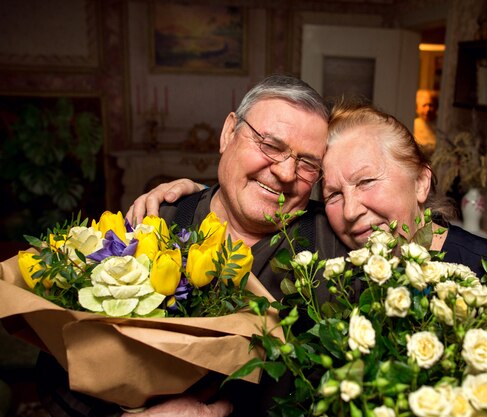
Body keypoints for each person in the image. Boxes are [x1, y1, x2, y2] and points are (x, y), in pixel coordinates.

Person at [136, 100, 487, 416]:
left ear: (422, 182)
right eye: (336, 193)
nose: (353, 210)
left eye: (367, 182)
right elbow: (263, 194)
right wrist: (197, 192)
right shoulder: (348, 263)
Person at [36, 75, 348, 417]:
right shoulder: (156, 221)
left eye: (307, 164)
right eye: (271, 145)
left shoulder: (336, 245)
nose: (287, 173)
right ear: (229, 133)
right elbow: (64, 370)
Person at [413, 89, 438, 157]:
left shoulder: (440, 125)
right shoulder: (413, 124)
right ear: (417, 108)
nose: (427, 110)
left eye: (430, 105)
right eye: (424, 105)